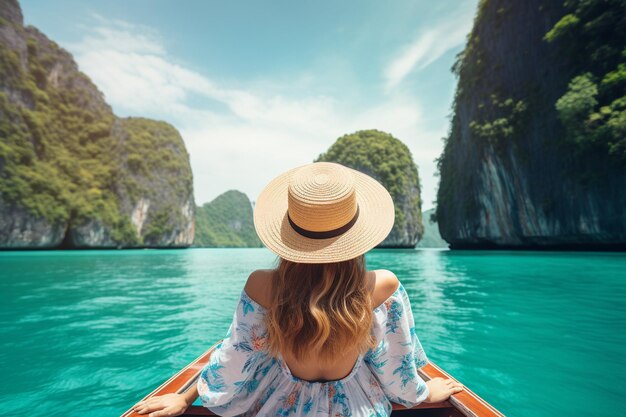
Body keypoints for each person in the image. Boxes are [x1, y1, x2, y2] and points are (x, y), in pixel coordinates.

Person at [132, 162, 463, 417]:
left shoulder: (262, 285)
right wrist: (424, 393)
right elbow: (396, 375)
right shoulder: (382, 287)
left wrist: (185, 396)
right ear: (357, 233)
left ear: (290, 234)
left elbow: (232, 364)